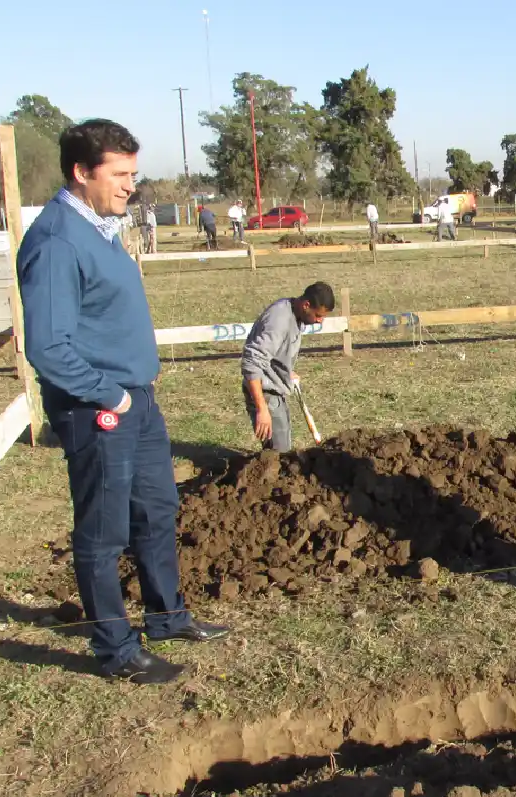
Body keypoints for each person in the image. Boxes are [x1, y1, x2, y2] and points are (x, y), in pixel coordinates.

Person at [18, 119, 229, 684]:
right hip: (101, 408)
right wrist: (111, 393)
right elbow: (47, 345)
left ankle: (166, 616)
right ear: (81, 171)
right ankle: (115, 648)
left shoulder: (99, 227)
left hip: (138, 400)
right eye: (119, 174)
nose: (130, 185)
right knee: (103, 531)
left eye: (133, 173)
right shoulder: (58, 240)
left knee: (156, 512)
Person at [242, 282, 336, 452]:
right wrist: (262, 409)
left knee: (280, 447)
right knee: (279, 453)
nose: (320, 321)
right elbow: (251, 362)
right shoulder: (279, 320)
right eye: (318, 315)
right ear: (306, 305)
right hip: (265, 392)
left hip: (275, 388)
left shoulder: (295, 314)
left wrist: (285, 371)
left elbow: (275, 351)